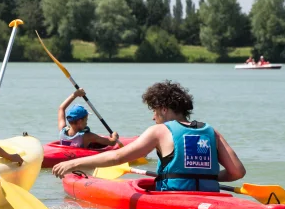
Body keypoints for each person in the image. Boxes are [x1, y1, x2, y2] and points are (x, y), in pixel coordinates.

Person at [52, 80, 246, 192]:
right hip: (211, 197)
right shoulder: (211, 131)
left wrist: (74, 164)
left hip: (174, 202)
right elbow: (237, 172)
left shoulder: (159, 131)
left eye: (154, 110)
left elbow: (118, 156)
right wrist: (208, 177)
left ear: (163, 109)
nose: (153, 117)